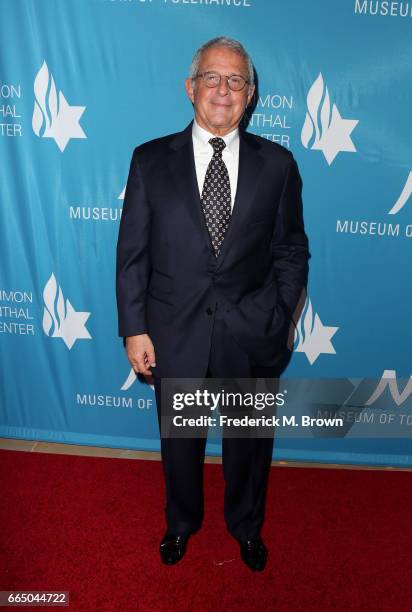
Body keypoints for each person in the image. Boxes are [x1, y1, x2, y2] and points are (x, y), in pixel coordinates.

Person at [116, 37, 309, 571]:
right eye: (212, 78)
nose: (223, 90)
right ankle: (181, 523)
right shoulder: (151, 161)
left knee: (249, 446)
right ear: (190, 87)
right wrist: (135, 329)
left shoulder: (279, 165)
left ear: (250, 95)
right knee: (181, 446)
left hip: (251, 336)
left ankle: (247, 527)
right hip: (175, 334)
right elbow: (132, 252)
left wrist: (281, 316)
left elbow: (291, 251)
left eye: (236, 81)